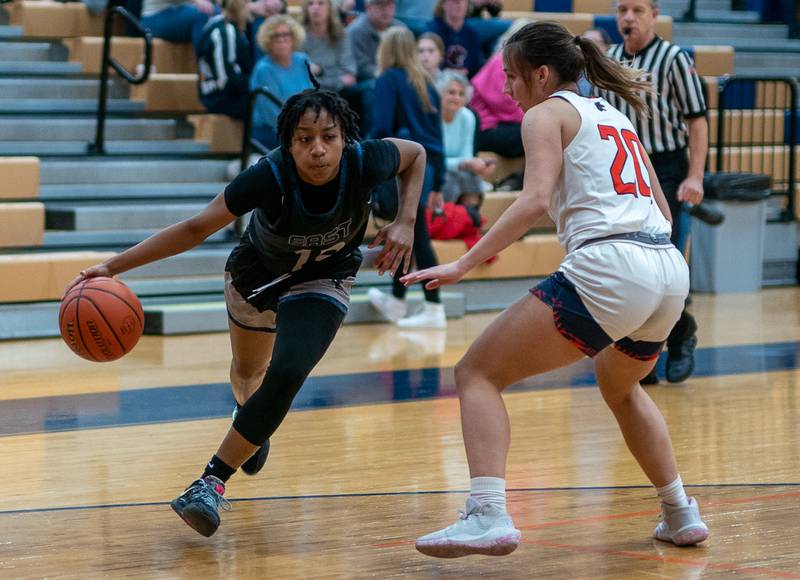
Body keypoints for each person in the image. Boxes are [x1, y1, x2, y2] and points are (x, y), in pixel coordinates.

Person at [404, 20, 709, 558]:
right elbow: (662, 209)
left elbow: (533, 201)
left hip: (614, 266)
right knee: (621, 386)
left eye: (513, 77)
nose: (506, 90)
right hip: (665, 268)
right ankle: (680, 511)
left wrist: (463, 264)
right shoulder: (615, 115)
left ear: (543, 75)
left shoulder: (545, 114)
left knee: (476, 372)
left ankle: (487, 513)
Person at [64, 88, 427, 538]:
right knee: (248, 375)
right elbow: (196, 228)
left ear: (344, 137)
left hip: (325, 277)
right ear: (288, 143)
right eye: (304, 139)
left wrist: (407, 221)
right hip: (255, 278)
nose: (317, 149)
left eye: (328, 137)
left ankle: (209, 483)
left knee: (288, 372)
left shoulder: (366, 160)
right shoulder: (267, 177)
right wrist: (114, 266)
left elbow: (415, 155)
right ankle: (249, 418)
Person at [595, 0, 708, 385]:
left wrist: (695, 175)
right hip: (626, 169)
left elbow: (696, 120)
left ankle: (679, 336)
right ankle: (645, 353)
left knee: (665, 268)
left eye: (637, 10)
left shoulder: (674, 58)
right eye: (622, 10)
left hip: (668, 166)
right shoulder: (608, 58)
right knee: (632, 267)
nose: (628, 17)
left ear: (654, 16)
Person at [367, 26, 447, 329]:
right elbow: (437, 136)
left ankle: (433, 307)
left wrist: (364, 154)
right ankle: (399, 301)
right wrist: (439, 181)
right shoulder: (426, 81)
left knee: (417, 236)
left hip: (406, 166)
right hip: (430, 166)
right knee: (410, 234)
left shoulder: (388, 79)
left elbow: (383, 126)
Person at [249, 14, 314, 150]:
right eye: (276, 36)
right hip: (270, 131)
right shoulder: (264, 69)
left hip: (303, 126)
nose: (282, 40)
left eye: (286, 34)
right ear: (268, 41)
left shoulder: (302, 60)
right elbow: (272, 117)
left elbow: (313, 97)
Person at [437, 70, 495, 205]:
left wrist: (479, 165)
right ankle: (443, 220)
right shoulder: (431, 117)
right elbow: (431, 160)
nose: (456, 98)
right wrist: (463, 164)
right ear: (440, 94)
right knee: (448, 178)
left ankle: (470, 220)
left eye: (461, 94)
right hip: (433, 170)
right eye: (451, 92)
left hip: (455, 169)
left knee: (471, 175)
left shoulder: (468, 117)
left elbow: (466, 155)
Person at [195, 0, 253, 120]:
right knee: (262, 103)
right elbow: (224, 79)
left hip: (220, 94)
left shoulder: (218, 25)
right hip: (220, 98)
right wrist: (251, 84)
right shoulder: (225, 31)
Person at [427, 0, 483, 78]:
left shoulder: (472, 34)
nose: (458, 3)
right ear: (443, 4)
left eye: (462, 0)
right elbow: (428, 64)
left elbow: (477, 67)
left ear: (468, 4)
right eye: (453, 0)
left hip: (467, 83)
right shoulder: (433, 31)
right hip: (439, 81)